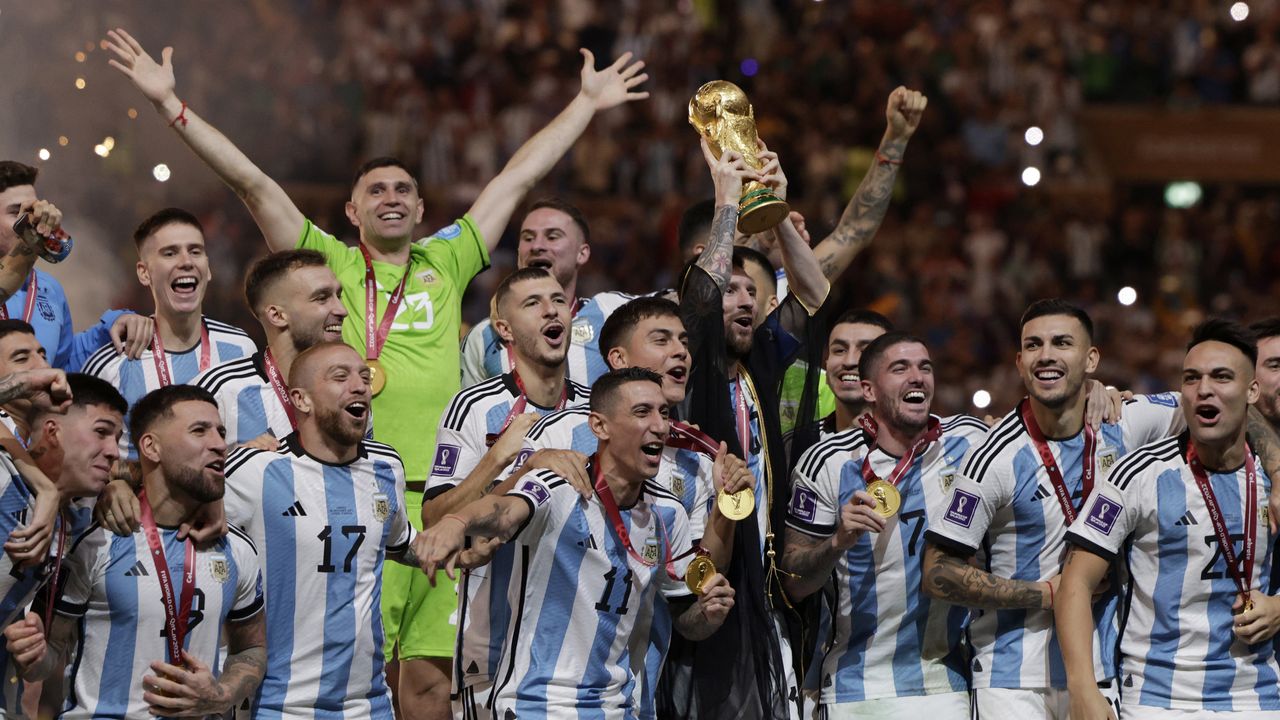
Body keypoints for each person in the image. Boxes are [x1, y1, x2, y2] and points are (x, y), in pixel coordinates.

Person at [105, 29, 649, 710]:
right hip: (355, 498)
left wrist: (586, 104)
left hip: (444, 499)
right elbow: (251, 182)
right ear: (351, 210)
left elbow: (518, 176)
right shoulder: (326, 261)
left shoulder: (446, 261)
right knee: (329, 673)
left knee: (427, 684)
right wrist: (171, 104)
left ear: (423, 211)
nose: (392, 195)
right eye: (376, 189)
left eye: (405, 188)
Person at [921, 299, 1188, 718]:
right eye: (1033, 345)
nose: (1046, 354)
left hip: (1105, 670)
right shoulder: (993, 458)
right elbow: (938, 572)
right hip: (1011, 680)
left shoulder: (1126, 424)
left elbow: (1226, 404)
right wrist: (1046, 593)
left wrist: (1278, 472)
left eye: (1062, 343)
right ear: (1019, 362)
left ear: (1091, 359)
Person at [416, 368, 736, 718]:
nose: (659, 425)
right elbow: (503, 512)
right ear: (599, 426)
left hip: (617, 708)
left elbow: (685, 616)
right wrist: (456, 521)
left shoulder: (667, 513)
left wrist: (708, 613)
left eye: (663, 413)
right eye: (642, 412)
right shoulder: (559, 486)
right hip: (537, 706)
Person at [509, 296, 751, 719]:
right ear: (618, 359)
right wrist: (528, 464)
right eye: (662, 340)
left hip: (631, 696)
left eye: (683, 341)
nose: (681, 351)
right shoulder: (563, 431)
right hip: (538, 692)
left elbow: (693, 578)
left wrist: (725, 506)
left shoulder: (698, 461)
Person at [671, 135, 831, 719]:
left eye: (751, 290)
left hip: (765, 578)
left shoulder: (762, 356)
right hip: (706, 562)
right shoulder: (687, 363)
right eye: (730, 287)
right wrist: (726, 206)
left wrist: (780, 211)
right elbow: (701, 298)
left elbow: (813, 295)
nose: (740, 297)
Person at [1058, 319, 1280, 718]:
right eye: (1191, 378)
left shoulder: (1272, 477)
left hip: (1257, 696)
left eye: (1221, 377)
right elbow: (1075, 581)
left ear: (1251, 391)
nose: (1203, 389)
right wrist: (1083, 689)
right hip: (1157, 698)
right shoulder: (1138, 474)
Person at [3, 385, 266, 719]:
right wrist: (34, 657)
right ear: (151, 447)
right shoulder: (94, 543)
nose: (218, 443)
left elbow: (251, 649)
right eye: (199, 431)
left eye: (221, 432)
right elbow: (50, 654)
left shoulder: (237, 547)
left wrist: (223, 694)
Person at [783, 332, 989, 718]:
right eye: (901, 368)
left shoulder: (970, 440)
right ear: (869, 389)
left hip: (947, 685)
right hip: (854, 689)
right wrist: (837, 543)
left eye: (925, 367)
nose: (918, 377)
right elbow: (792, 583)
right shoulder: (827, 462)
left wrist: (1101, 394)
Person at [220, 341, 429, 717]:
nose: (361, 385)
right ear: (301, 399)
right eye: (341, 376)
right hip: (280, 705)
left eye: (364, 377)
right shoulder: (256, 470)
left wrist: (463, 542)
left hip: (370, 705)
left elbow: (401, 542)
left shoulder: (386, 467)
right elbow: (176, 512)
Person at [421, 267, 590, 718]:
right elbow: (435, 519)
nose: (551, 309)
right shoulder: (473, 407)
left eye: (557, 300)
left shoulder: (598, 414)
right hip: (491, 645)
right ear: (504, 329)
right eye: (533, 303)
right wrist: (498, 459)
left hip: (575, 649)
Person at [81, 208, 256, 459]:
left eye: (195, 251)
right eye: (170, 253)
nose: (186, 261)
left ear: (208, 268)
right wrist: (115, 485)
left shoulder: (242, 349)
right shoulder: (112, 364)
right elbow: (88, 459)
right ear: (144, 272)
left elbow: (258, 441)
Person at [0, 374, 125, 717]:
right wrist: (19, 386)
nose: (114, 451)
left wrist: (36, 653)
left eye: (117, 438)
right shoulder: (4, 474)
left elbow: (44, 663)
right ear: (53, 431)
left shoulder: (76, 520)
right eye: (101, 432)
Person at [459, 198, 642, 387]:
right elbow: (470, 412)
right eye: (528, 238)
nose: (536, 246)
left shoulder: (613, 313)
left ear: (582, 253)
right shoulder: (482, 336)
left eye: (552, 237)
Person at [0, 161, 153, 372]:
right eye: (15, 212)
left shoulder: (48, 288)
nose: (28, 220)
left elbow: (63, 361)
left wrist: (112, 325)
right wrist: (31, 238)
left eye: (33, 210)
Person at [194, 249, 347, 448]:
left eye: (338, 295)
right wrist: (235, 465)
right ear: (277, 315)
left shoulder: (351, 389)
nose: (342, 310)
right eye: (322, 298)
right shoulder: (221, 392)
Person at [818, 310, 893, 436]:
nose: (850, 361)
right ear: (826, 363)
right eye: (840, 350)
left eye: (866, 351)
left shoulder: (927, 440)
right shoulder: (798, 443)